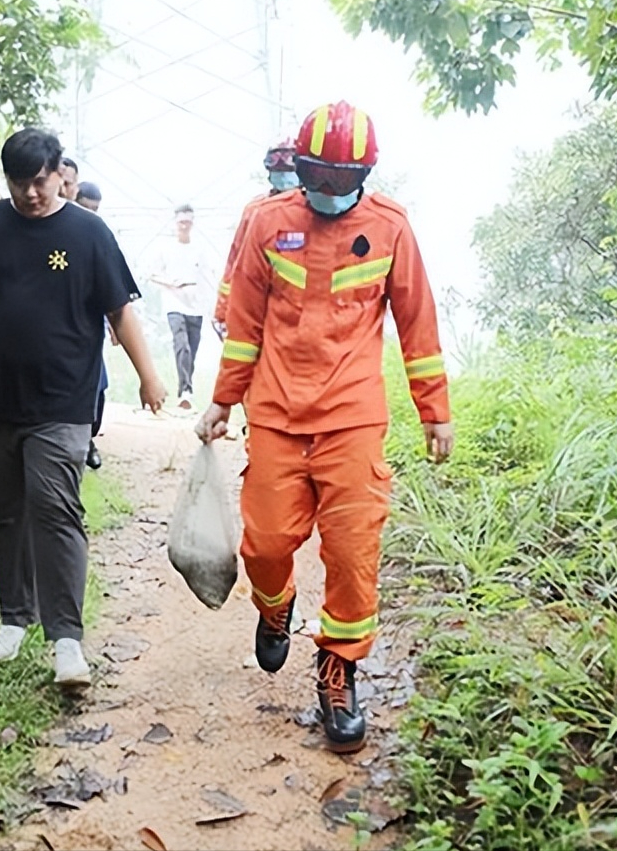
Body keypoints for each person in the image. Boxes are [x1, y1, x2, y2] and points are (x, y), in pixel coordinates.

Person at [195, 101, 455, 753]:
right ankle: (275, 603)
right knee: (265, 544)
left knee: (351, 552)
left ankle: (338, 669)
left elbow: (417, 324)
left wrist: (435, 409)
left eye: (342, 179)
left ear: (364, 173)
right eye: (317, 174)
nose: (328, 190)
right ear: (299, 165)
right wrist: (223, 401)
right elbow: (246, 326)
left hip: (352, 418)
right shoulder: (267, 223)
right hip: (278, 414)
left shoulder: (391, 228)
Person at [0, 128, 166, 687]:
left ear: (58, 174)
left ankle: (67, 640)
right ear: (6, 180)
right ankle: (14, 618)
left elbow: (121, 310)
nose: (31, 193)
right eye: (19, 183)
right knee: (3, 512)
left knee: (55, 511)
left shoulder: (88, 233)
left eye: (40, 181)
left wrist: (149, 376)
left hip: (61, 401)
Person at [211, 139, 300, 340]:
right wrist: (222, 312)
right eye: (277, 163)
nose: (283, 170)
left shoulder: (315, 211)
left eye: (288, 164)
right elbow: (235, 263)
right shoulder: (256, 211)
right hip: (261, 303)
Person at [146, 204, 218, 409]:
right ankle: (185, 391)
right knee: (182, 345)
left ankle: (187, 388)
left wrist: (214, 304)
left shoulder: (199, 249)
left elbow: (208, 277)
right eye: (181, 222)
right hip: (173, 302)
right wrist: (170, 283)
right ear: (175, 223)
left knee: (192, 350)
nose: (184, 226)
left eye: (188, 222)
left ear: (192, 223)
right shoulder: (165, 248)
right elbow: (152, 273)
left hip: (196, 304)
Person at [73, 180, 109, 470]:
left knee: (97, 391)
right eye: (86, 209)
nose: (90, 215)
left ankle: (89, 437)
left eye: (95, 210)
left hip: (89, 330)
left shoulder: (97, 236)